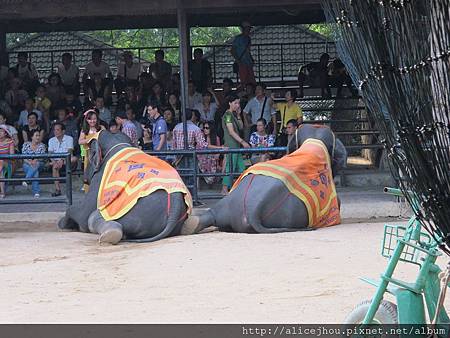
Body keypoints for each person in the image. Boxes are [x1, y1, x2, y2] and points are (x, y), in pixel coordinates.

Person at [221, 93, 250, 195]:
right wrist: (243, 142)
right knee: (230, 167)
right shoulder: (228, 115)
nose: (237, 105)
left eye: (238, 103)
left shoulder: (233, 115)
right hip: (231, 144)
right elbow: (231, 131)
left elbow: (241, 127)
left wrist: (238, 115)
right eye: (235, 103)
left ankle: (241, 188)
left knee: (241, 167)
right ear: (230, 103)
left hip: (236, 145)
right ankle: (224, 189)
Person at [48, 122, 77, 197]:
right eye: (54, 130)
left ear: (63, 131)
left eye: (57, 130)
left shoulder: (69, 138)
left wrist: (62, 160)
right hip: (56, 161)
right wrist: (55, 162)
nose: (55, 132)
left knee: (74, 159)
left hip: (67, 160)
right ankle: (58, 190)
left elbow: (70, 152)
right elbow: (50, 154)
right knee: (54, 166)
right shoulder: (51, 140)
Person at [79, 109, 104, 192]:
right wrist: (90, 139)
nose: (92, 121)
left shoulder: (101, 128)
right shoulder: (84, 130)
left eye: (94, 119)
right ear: (87, 120)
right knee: (89, 171)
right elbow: (80, 141)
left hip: (101, 154)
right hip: (89, 154)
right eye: (90, 119)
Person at [21, 130, 46, 198]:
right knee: (35, 172)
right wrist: (30, 162)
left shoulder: (42, 145)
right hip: (27, 164)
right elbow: (23, 157)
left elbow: (42, 157)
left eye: (39, 135)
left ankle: (26, 180)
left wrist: (35, 160)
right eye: (36, 135)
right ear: (32, 137)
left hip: (39, 164)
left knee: (36, 164)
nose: (38, 137)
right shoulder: (26, 145)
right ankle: (36, 192)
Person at [231, 21, 256, 87]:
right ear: (243, 29)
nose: (249, 30)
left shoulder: (248, 39)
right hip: (242, 63)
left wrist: (251, 59)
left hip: (249, 63)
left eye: (249, 29)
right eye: (247, 29)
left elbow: (248, 51)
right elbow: (232, 51)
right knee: (244, 82)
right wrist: (238, 61)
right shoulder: (238, 39)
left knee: (252, 82)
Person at [0, 124, 15, 198]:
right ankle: (2, 192)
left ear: (5, 133)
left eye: (1, 131)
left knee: (1, 162)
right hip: (1, 166)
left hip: (8, 163)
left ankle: (2, 193)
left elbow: (11, 156)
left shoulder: (10, 141)